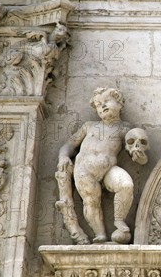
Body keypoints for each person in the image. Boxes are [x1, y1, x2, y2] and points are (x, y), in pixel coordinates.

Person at [57, 87, 146, 243]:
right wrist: (63, 157)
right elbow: (70, 145)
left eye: (107, 101)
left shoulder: (124, 129)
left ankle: (119, 220)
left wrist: (140, 156)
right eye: (98, 104)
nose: (102, 106)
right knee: (91, 201)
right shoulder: (89, 126)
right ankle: (100, 234)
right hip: (83, 169)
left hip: (108, 169)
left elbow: (136, 152)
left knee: (125, 185)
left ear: (119, 104)